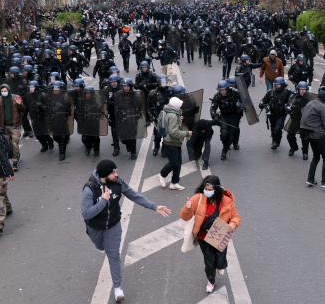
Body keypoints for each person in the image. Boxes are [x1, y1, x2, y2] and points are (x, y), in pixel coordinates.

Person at [81, 160, 171, 303]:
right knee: (99, 246)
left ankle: (118, 288)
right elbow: (86, 214)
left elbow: (134, 195)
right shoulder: (89, 189)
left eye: (116, 171)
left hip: (113, 226)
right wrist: (103, 201)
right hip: (95, 228)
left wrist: (154, 207)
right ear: (104, 175)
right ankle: (100, 245)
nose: (117, 174)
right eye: (113, 172)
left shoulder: (118, 183)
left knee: (114, 256)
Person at [179, 175, 240, 294]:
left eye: (210, 189)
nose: (207, 191)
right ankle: (211, 281)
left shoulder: (226, 201)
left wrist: (232, 224)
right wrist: (187, 208)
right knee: (209, 262)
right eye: (205, 188)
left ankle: (220, 266)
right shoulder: (198, 198)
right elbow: (184, 216)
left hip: (220, 232)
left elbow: (236, 216)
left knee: (220, 260)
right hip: (203, 237)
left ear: (216, 189)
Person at [300, 90, 325, 191]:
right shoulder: (323, 107)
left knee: (316, 156)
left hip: (308, 134)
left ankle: (310, 179)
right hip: (318, 135)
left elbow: (303, 112)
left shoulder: (310, 103)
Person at [158, 97, 192, 191]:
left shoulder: (170, 112)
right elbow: (174, 132)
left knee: (178, 163)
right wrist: (186, 133)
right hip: (171, 143)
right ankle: (162, 174)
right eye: (179, 105)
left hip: (173, 142)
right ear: (176, 106)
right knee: (174, 163)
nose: (180, 106)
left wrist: (179, 119)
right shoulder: (173, 115)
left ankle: (174, 183)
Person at [0, 84, 25, 171]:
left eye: (5, 91)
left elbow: (23, 110)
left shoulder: (15, 97)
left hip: (15, 126)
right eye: (2, 91)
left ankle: (15, 161)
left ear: (9, 90)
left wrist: (20, 104)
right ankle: (17, 155)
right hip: (4, 126)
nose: (3, 92)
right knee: (8, 144)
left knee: (14, 143)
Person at [210, 80, 243, 160]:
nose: (222, 92)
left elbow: (243, 101)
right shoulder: (217, 96)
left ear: (227, 88)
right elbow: (213, 108)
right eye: (220, 90)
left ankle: (224, 151)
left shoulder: (235, 92)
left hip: (234, 116)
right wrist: (215, 116)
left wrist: (240, 106)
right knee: (224, 134)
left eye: (223, 90)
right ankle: (226, 145)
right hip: (224, 116)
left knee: (232, 134)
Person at [259, 77, 291, 149]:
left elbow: (292, 100)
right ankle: (274, 140)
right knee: (273, 128)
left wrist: (289, 106)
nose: (277, 86)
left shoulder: (287, 92)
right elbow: (264, 100)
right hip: (272, 114)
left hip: (281, 114)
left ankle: (276, 142)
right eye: (276, 84)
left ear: (282, 85)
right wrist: (261, 104)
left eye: (278, 85)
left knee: (277, 128)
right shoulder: (270, 92)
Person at [286, 81, 312, 159]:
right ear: (298, 89)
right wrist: (289, 108)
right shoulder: (293, 97)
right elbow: (288, 105)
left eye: (304, 89)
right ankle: (293, 147)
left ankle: (305, 152)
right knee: (290, 135)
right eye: (301, 89)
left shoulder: (309, 98)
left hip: (305, 121)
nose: (303, 91)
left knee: (305, 138)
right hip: (295, 119)